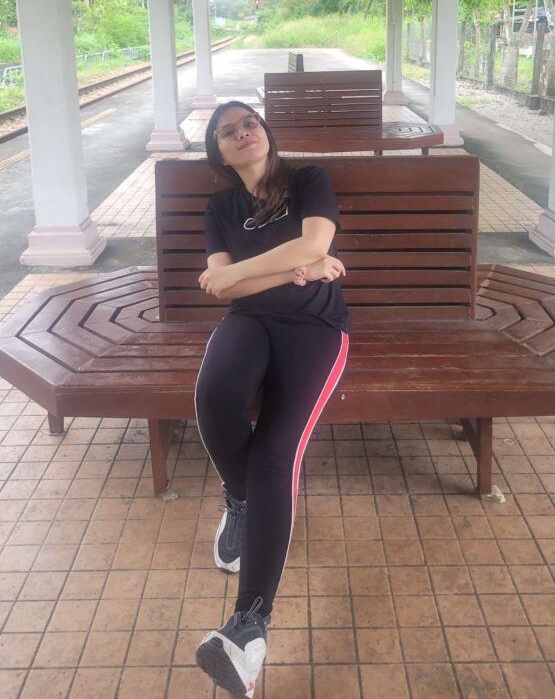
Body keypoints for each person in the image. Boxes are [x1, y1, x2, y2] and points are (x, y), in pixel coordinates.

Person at [194, 100, 351, 697]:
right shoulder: (220, 207)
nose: (242, 132)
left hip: (316, 332)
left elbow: (314, 243)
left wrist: (241, 273)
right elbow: (221, 285)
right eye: (227, 131)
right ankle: (240, 499)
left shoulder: (308, 180)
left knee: (276, 453)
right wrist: (293, 269)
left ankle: (248, 626)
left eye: (249, 123)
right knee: (214, 394)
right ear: (220, 151)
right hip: (249, 322)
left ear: (266, 133)